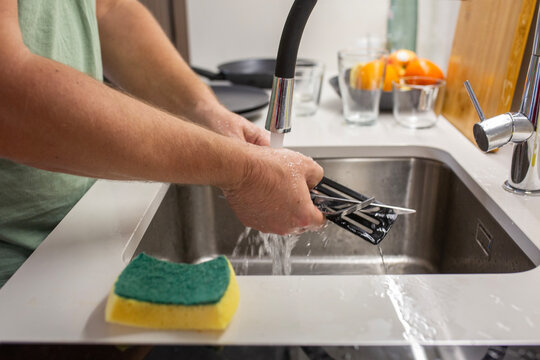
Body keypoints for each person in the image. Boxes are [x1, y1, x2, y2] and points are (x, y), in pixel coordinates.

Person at [0, 0, 325, 289]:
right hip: (13, 284)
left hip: (79, 237)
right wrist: (244, 170)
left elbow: (108, 8)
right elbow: (7, 90)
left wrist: (206, 113)